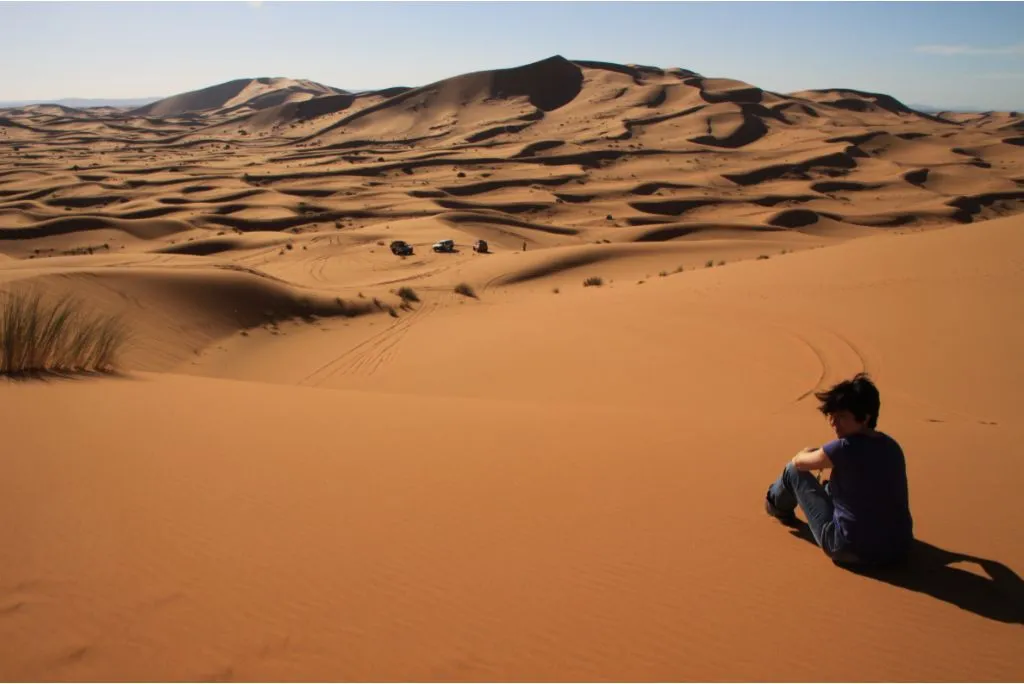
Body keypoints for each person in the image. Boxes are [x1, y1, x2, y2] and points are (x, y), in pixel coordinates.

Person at [765, 373, 913, 566]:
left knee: (793, 471)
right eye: (832, 416)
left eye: (842, 417)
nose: (834, 423)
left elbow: (800, 464)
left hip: (848, 550)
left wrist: (806, 453)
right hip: (898, 551)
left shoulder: (842, 448)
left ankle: (775, 506)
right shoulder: (892, 446)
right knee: (833, 488)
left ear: (865, 417)